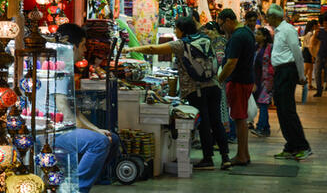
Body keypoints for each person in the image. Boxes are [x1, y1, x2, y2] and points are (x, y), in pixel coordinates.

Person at [132, 16, 231, 170]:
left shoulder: (181, 44)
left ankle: (208, 159)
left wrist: (132, 49)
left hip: (196, 89)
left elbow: (153, 50)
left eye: (176, 28)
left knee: (203, 123)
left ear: (182, 30)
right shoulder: (205, 40)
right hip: (213, 85)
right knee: (216, 121)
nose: (175, 31)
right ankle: (226, 158)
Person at [54, 24, 120, 193]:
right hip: (53, 133)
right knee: (99, 142)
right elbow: (66, 113)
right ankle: (75, 189)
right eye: (83, 45)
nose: (84, 51)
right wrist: (97, 133)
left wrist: (97, 129)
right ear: (71, 45)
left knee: (111, 138)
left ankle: (75, 180)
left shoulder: (67, 69)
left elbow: (74, 111)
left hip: (64, 129)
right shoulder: (59, 68)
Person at [265, 4, 312, 161]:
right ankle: (291, 145)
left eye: (269, 16)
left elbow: (297, 54)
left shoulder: (288, 30)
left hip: (288, 71)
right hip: (281, 72)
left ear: (276, 17)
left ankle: (302, 146)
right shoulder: (278, 31)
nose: (267, 19)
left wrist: (301, 75)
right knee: (282, 109)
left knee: (288, 109)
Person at [217, 8, 256, 166]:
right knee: (241, 119)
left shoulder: (238, 36)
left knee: (239, 119)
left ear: (228, 21)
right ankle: (244, 154)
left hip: (239, 81)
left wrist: (219, 79)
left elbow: (231, 62)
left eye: (221, 25)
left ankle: (241, 155)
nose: (221, 29)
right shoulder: (245, 32)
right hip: (244, 79)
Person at [251, 27, 273, 137]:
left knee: (263, 103)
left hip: (267, 80)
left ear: (264, 37)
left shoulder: (269, 48)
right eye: (256, 34)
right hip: (258, 80)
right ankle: (266, 128)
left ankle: (260, 127)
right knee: (262, 103)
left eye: (259, 34)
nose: (256, 36)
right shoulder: (256, 48)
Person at [310, 13, 327, 97]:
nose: (326, 25)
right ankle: (319, 91)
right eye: (324, 23)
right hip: (320, 54)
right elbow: (314, 43)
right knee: (317, 73)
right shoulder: (320, 32)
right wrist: (315, 34)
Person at [301, 20, 318, 90]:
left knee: (309, 69)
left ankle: (309, 84)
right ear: (313, 26)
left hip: (306, 51)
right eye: (316, 25)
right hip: (308, 51)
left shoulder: (307, 33)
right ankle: (303, 82)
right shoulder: (310, 34)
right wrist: (312, 55)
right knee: (307, 69)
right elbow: (309, 46)